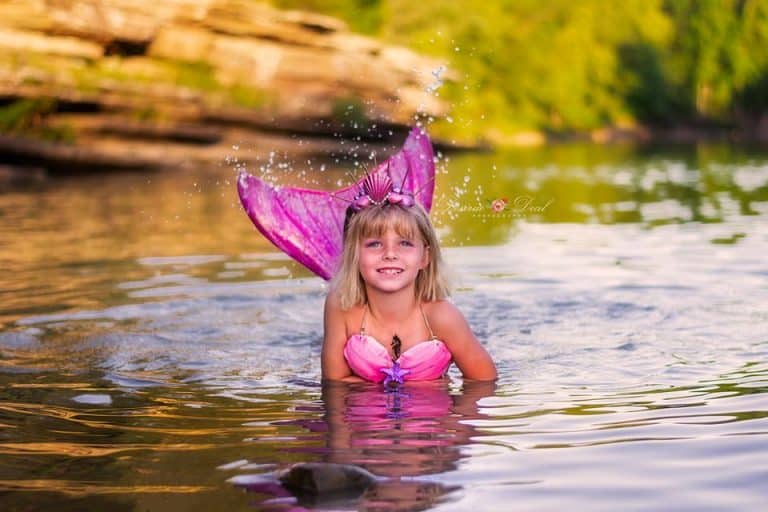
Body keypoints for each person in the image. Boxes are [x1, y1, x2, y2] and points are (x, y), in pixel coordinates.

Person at [322, 174, 497, 383]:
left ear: (425, 257)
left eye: (404, 243)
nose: (390, 254)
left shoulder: (443, 317)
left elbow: (484, 382)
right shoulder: (341, 306)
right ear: (354, 255)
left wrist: (450, 411)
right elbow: (334, 384)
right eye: (374, 244)